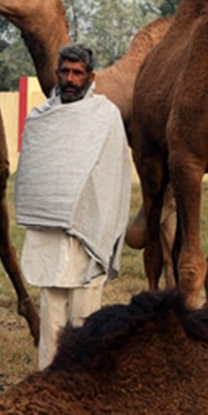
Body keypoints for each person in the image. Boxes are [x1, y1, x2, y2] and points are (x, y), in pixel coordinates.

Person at [14, 43, 133, 368]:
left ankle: (82, 385)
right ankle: (49, 382)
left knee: (85, 316)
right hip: (49, 231)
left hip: (88, 230)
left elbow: (114, 175)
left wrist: (100, 222)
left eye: (77, 73)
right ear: (57, 74)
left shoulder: (106, 116)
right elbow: (34, 174)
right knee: (51, 312)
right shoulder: (41, 118)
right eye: (64, 71)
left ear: (90, 76)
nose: (69, 78)